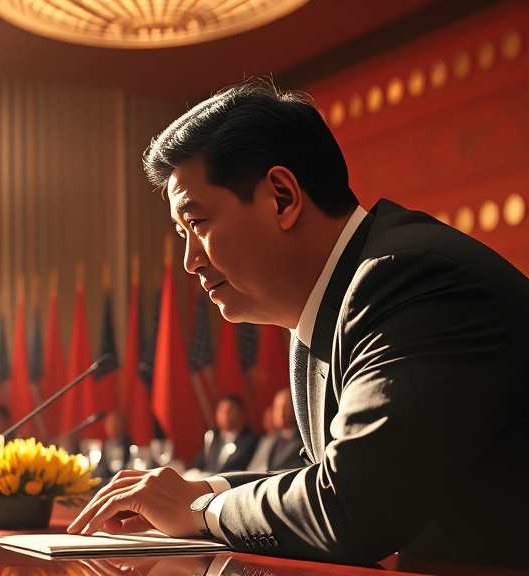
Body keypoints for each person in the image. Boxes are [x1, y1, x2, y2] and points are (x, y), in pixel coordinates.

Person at [69, 80, 529, 570]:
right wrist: (203, 490)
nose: (189, 260)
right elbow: (323, 476)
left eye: (197, 224)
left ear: (282, 197)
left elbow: (351, 506)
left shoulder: (409, 280)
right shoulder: (324, 309)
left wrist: (200, 510)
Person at [188, 395, 258, 474]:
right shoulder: (212, 437)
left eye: (230, 411)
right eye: (221, 411)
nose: (225, 415)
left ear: (241, 413)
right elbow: (198, 464)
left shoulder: (250, 441)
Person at [247, 389, 303, 473]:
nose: (281, 413)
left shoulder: (302, 441)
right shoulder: (267, 441)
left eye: (286, 407)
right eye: (277, 407)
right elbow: (251, 469)